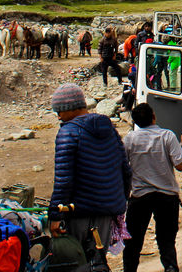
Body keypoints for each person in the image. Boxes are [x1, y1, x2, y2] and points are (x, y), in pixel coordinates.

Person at [48, 84, 131, 271]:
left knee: (78, 261)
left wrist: (55, 215)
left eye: (60, 111)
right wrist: (119, 202)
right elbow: (125, 170)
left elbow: (63, 180)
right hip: (106, 212)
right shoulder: (109, 128)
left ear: (71, 108)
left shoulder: (68, 132)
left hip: (79, 214)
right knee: (98, 260)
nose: (59, 117)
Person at [122, 103, 182, 272]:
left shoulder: (130, 139)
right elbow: (180, 165)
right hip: (166, 196)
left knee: (132, 242)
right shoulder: (167, 136)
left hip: (139, 197)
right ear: (153, 116)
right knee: (167, 240)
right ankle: (170, 267)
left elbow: (122, 167)